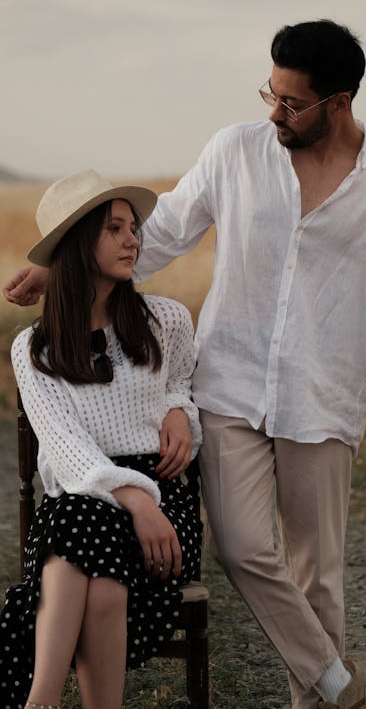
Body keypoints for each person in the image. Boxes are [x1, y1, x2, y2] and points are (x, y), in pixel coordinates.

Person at [3, 20, 366, 709]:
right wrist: (62, 271)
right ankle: (344, 686)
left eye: (292, 103)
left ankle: (322, 700)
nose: (274, 112)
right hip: (228, 388)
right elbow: (162, 229)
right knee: (239, 547)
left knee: (317, 576)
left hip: (323, 400)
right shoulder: (236, 151)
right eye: (271, 92)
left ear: (340, 103)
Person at [0, 169, 203, 709]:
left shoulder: (168, 320)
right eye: (114, 228)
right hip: (92, 496)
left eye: (132, 227)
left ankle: (39, 702)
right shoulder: (35, 349)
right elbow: (64, 446)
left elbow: (183, 385)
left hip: (164, 502)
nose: (133, 239)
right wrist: (131, 497)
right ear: (76, 243)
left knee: (78, 532)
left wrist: (182, 412)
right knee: (96, 559)